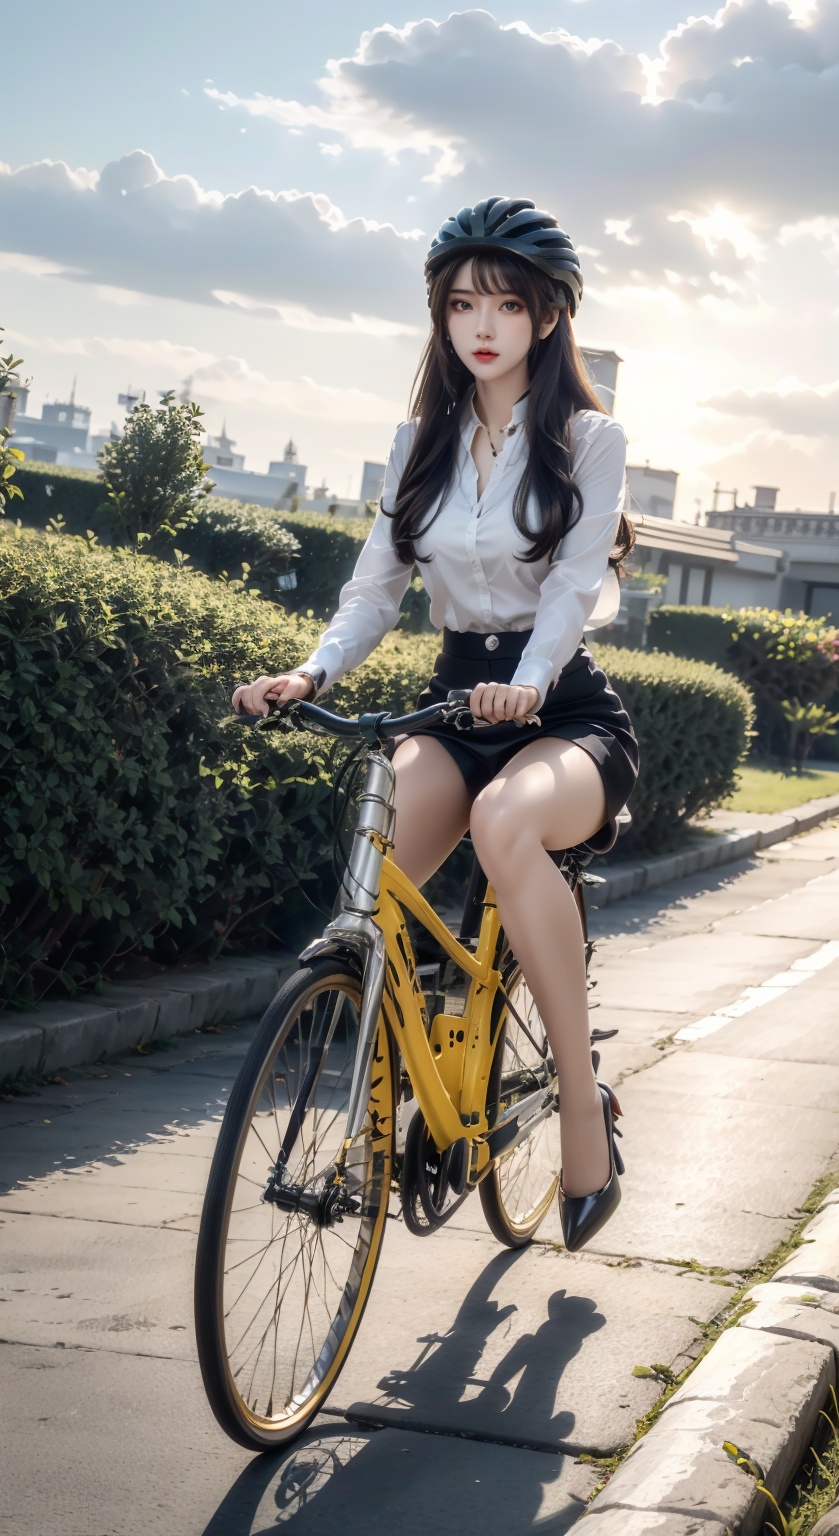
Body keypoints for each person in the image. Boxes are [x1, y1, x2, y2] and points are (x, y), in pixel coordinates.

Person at [233, 196, 639, 1252]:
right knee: (378, 881)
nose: (482, 324)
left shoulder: (589, 439)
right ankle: (393, 1088)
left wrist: (535, 681)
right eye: (462, 303)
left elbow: (573, 590)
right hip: (457, 697)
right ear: (441, 316)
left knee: (507, 824)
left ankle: (583, 1107)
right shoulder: (420, 440)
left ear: (548, 317)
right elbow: (375, 592)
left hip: (562, 714)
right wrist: (309, 667)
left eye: (506, 302)